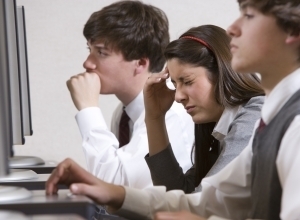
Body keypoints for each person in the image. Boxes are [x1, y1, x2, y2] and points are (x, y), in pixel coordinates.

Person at [46, 0, 300, 219]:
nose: (232, 28)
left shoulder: (286, 120)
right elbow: (205, 201)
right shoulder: (268, 116)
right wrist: (111, 191)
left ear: (291, 30)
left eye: (248, 15)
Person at [66, 0, 194, 189]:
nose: (88, 63)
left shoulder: (170, 112)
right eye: (89, 50)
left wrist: (88, 110)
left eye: (101, 52)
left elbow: (114, 185)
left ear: (140, 63)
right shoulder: (124, 112)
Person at [144, 25, 264, 193]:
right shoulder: (218, 129)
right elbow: (176, 193)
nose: (178, 97)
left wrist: (120, 197)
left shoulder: (255, 118)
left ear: (222, 72)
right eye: (174, 84)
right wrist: (154, 117)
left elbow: (200, 202)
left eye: (187, 81)